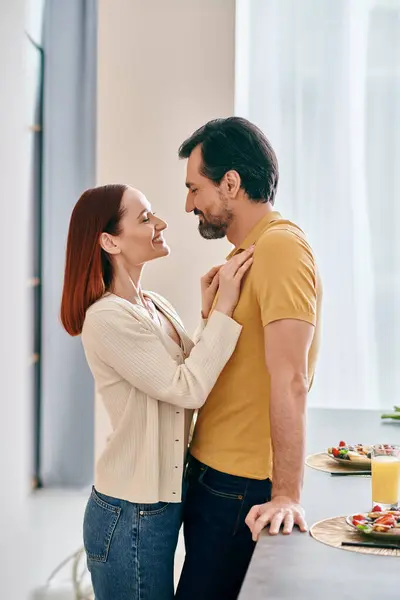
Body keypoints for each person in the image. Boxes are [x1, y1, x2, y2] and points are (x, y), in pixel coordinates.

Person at [60, 183, 254, 600]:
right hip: (130, 511)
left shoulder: (153, 304)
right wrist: (224, 309)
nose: (161, 223)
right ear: (109, 240)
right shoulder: (107, 318)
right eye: (145, 218)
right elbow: (188, 389)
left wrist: (206, 313)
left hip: (157, 508)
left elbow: (185, 370)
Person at [175, 117, 322, 600]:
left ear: (231, 184)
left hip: (238, 486)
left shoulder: (280, 249)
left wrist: (285, 495)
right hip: (214, 477)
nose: (189, 204)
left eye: (195, 188)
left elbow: (291, 379)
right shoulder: (249, 254)